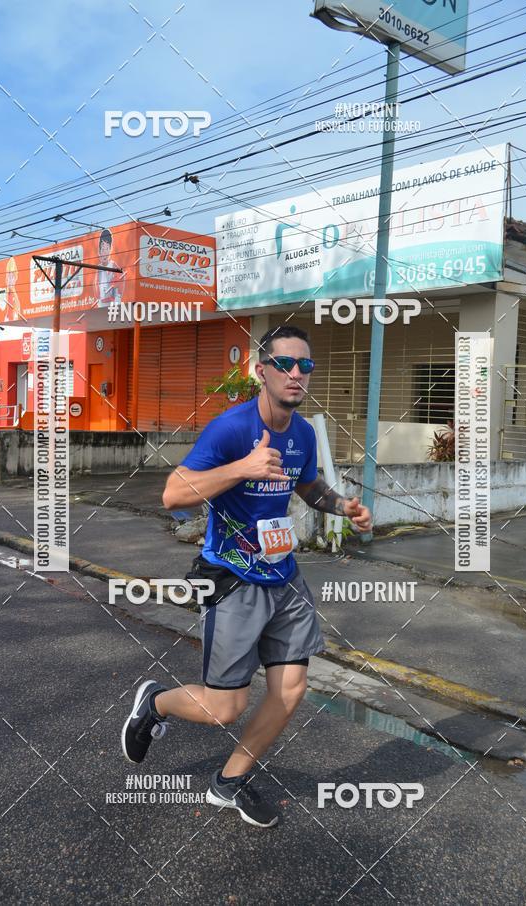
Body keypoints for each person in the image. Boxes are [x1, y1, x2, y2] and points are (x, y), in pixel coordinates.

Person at [121, 325, 372, 827]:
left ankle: (229, 781)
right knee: (224, 708)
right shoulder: (231, 429)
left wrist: (343, 506)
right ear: (261, 371)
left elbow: (307, 487)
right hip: (233, 577)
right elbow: (173, 494)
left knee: (291, 689)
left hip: (284, 575)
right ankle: (156, 703)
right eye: (284, 364)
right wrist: (243, 467)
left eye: (305, 365)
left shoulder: (302, 433)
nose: (296, 374)